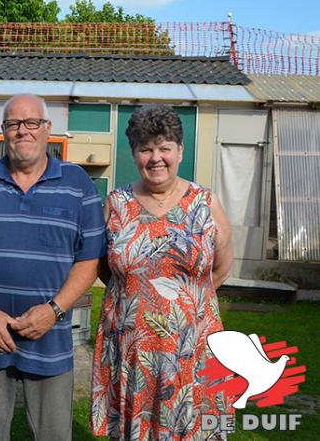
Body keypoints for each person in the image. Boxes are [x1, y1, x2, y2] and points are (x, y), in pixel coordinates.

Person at [0, 94, 107, 441]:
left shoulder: (78, 185)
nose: (23, 131)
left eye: (32, 123)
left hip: (50, 338)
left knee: (53, 435)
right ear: (3, 131)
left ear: (47, 129)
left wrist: (53, 310)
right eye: (13, 124)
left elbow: (89, 260)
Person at [90, 104, 234, 440]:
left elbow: (222, 269)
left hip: (192, 348)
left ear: (180, 151)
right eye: (146, 149)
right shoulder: (116, 204)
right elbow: (103, 267)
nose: (156, 158)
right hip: (132, 348)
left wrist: (183, 305)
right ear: (134, 153)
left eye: (164, 147)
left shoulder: (205, 203)